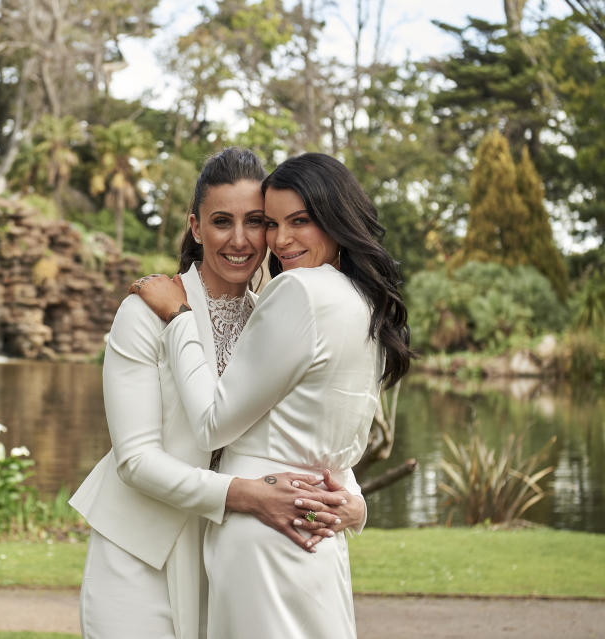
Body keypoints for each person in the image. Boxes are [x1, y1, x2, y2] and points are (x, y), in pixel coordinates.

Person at [69, 148, 367, 639]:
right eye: (222, 221)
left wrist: (352, 502)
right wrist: (245, 495)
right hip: (142, 550)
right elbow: (137, 460)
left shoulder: (277, 314)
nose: (241, 239)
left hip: (229, 556)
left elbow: (307, 426)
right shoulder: (146, 312)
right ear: (195, 226)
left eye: (257, 221)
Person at [132, 152, 413, 638]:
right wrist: (356, 503)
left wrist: (179, 320)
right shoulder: (364, 302)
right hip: (320, 529)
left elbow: (213, 422)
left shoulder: (299, 291)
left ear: (336, 217)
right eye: (274, 223)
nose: (281, 241)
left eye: (299, 221)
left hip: (263, 529)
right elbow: (332, 435)